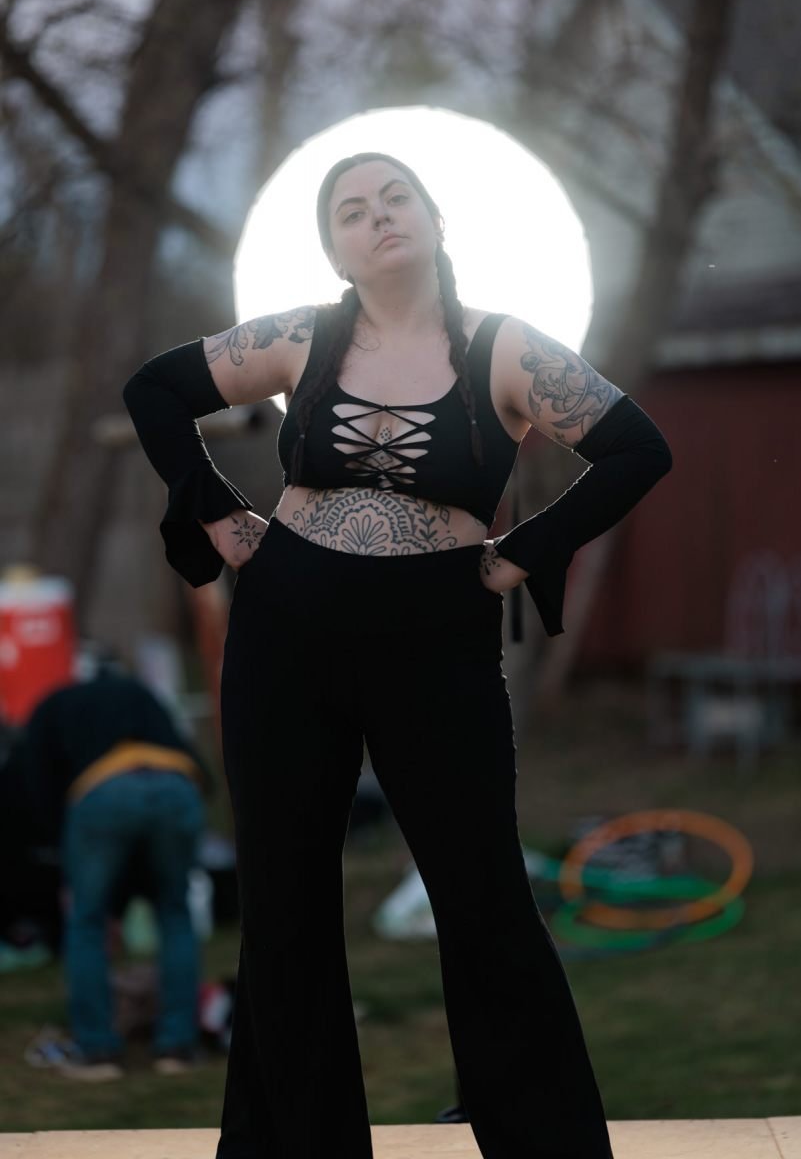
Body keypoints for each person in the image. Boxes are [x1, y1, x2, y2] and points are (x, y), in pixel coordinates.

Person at [123, 152, 672, 1158]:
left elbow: (638, 449)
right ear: (336, 250)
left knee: (483, 897)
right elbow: (156, 389)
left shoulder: (506, 349)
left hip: (436, 643)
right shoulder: (302, 338)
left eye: (395, 198)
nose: (377, 218)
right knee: (285, 904)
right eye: (351, 211)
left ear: (434, 218)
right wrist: (221, 519)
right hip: (286, 631)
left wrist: (527, 551)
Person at [13, 646, 214, 1080]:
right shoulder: (137, 691)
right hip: (177, 784)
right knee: (174, 911)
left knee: (87, 919)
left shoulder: (54, 703)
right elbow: (194, 757)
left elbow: (35, 784)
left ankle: (98, 1051)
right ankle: (177, 1047)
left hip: (103, 790)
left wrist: (63, 853)